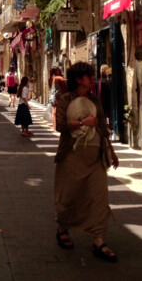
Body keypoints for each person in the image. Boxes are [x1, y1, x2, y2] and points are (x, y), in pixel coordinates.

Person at [54, 62, 119, 262]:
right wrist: (82, 123)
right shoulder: (65, 99)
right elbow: (60, 126)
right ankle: (63, 227)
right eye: (89, 77)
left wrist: (111, 150)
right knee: (69, 196)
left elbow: (101, 127)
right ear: (79, 80)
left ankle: (99, 240)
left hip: (95, 157)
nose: (93, 80)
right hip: (72, 157)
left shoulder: (94, 99)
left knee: (100, 198)